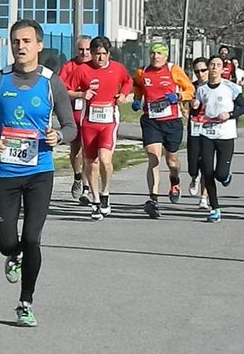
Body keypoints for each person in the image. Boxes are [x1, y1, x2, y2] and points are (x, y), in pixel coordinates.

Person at [0, 19, 76, 327]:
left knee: (32, 238)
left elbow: (71, 126)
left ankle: (25, 302)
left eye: (27, 41)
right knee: (7, 243)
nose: (21, 46)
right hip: (5, 171)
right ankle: (13, 254)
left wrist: (58, 137)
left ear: (39, 45)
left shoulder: (51, 82)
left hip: (39, 172)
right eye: (16, 41)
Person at [68, 36, 133, 220]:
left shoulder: (117, 68)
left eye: (104, 54)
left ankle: (105, 193)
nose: (100, 58)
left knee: (105, 159)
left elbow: (128, 81)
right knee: (91, 163)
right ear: (92, 54)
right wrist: (81, 93)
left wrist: (123, 95)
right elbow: (65, 90)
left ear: (109, 54)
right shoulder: (82, 70)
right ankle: (96, 201)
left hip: (109, 121)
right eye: (97, 54)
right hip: (89, 122)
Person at [132, 42, 195, 218]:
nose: (155, 57)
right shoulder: (142, 71)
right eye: (153, 53)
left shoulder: (173, 70)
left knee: (172, 161)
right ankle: (153, 199)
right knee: (153, 158)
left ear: (166, 56)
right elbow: (137, 85)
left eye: (159, 53)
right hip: (151, 121)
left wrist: (179, 96)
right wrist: (137, 98)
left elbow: (190, 89)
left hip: (172, 121)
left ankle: (174, 181)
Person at [191, 55, 244, 222]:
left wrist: (229, 115)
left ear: (223, 69)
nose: (214, 68)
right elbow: (196, 111)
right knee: (207, 171)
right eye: (212, 65)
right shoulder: (202, 89)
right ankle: (215, 208)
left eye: (218, 65)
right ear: (208, 68)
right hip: (206, 133)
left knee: (220, 174)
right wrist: (195, 106)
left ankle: (226, 176)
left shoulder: (230, 87)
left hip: (225, 134)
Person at [59, 35, 92, 204]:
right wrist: (80, 94)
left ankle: (86, 189)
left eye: (87, 49)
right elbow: (61, 90)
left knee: (89, 152)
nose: (85, 53)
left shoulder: (97, 66)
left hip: (92, 115)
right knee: (76, 151)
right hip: (73, 113)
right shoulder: (69, 66)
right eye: (81, 50)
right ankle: (77, 176)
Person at [187, 57, 211, 210]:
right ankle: (194, 177)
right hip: (195, 128)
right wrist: (188, 106)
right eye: (197, 71)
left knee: (206, 164)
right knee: (193, 164)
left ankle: (204, 198)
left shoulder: (215, 86)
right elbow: (183, 102)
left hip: (210, 129)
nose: (200, 74)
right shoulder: (191, 87)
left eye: (203, 70)